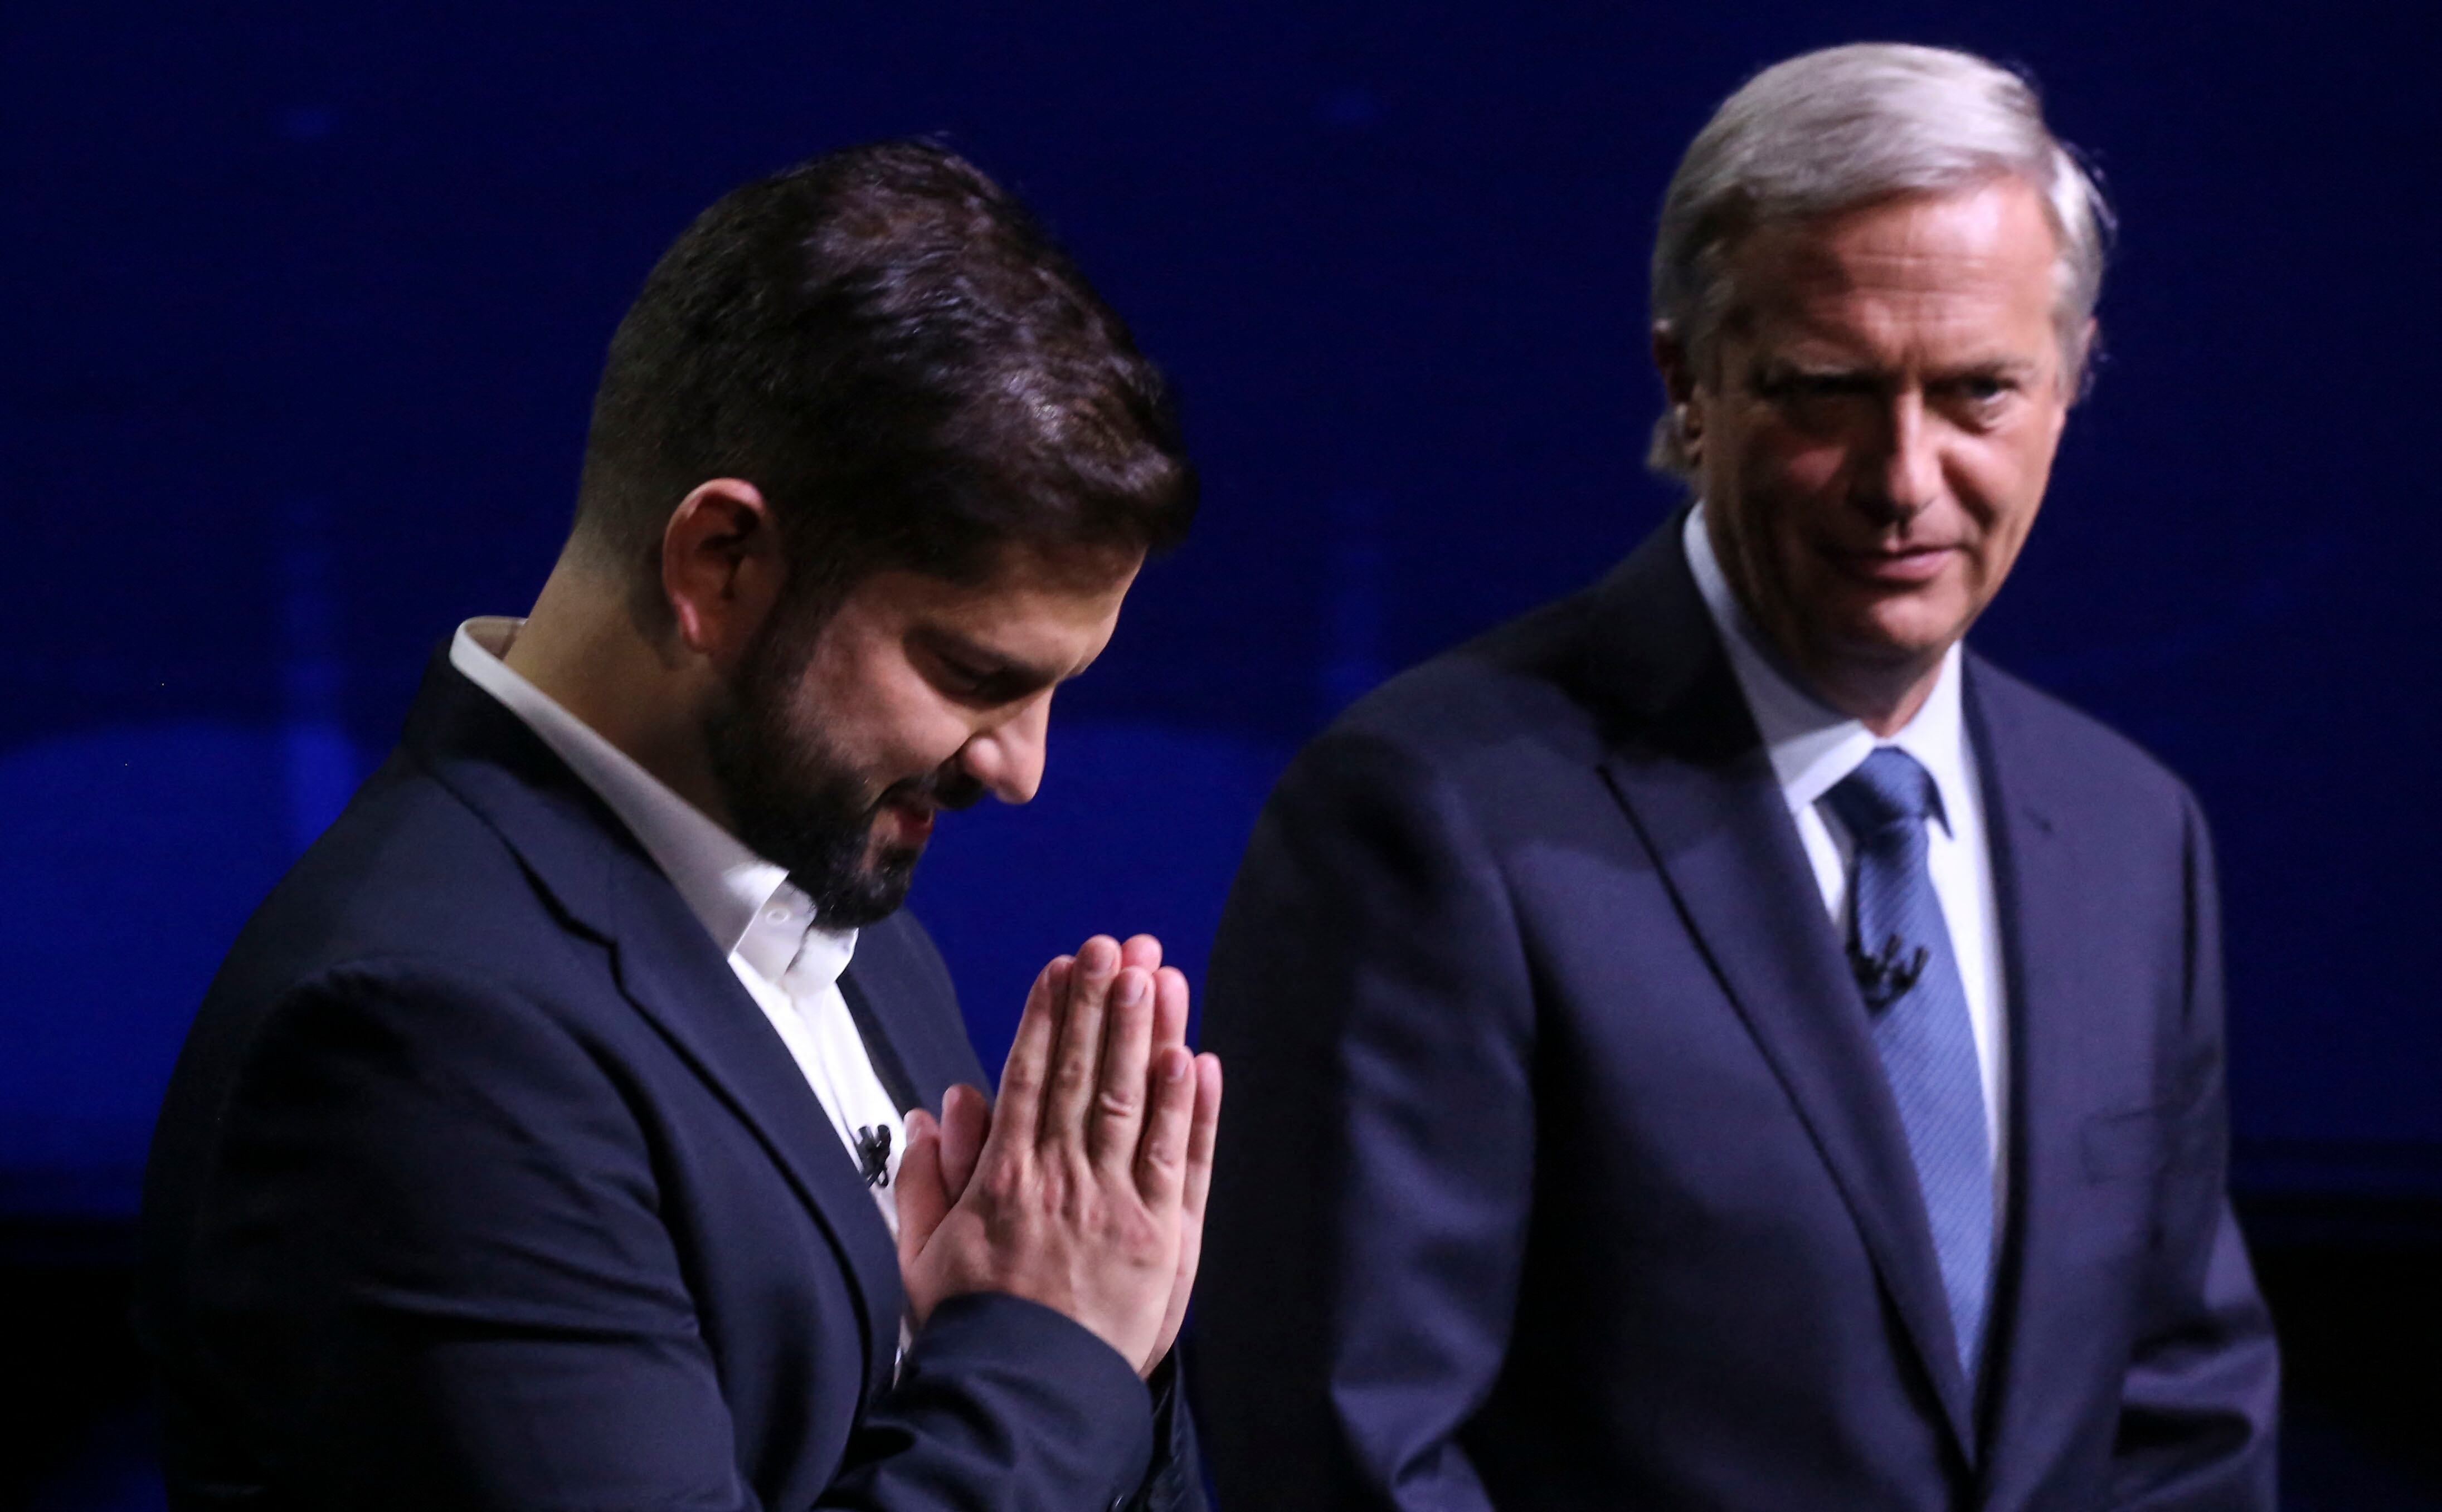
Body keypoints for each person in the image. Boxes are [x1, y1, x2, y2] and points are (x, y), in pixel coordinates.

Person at [1193, 43, 2277, 1509]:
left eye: (1975, 393)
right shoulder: (1428, 815)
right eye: (1825, 391)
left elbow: (2184, 1420)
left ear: (2070, 380)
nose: (1902, 478)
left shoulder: (2128, 835)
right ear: (1686, 382)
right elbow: (1343, 1452)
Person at [138, 140, 1222, 1511]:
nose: (1020, 771)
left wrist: (1112, 1314)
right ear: (721, 560)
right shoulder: (418, 1033)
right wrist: (1056, 1351)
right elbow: (1031, 1391)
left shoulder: (850, 923)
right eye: (972, 674)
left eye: (1060, 689)